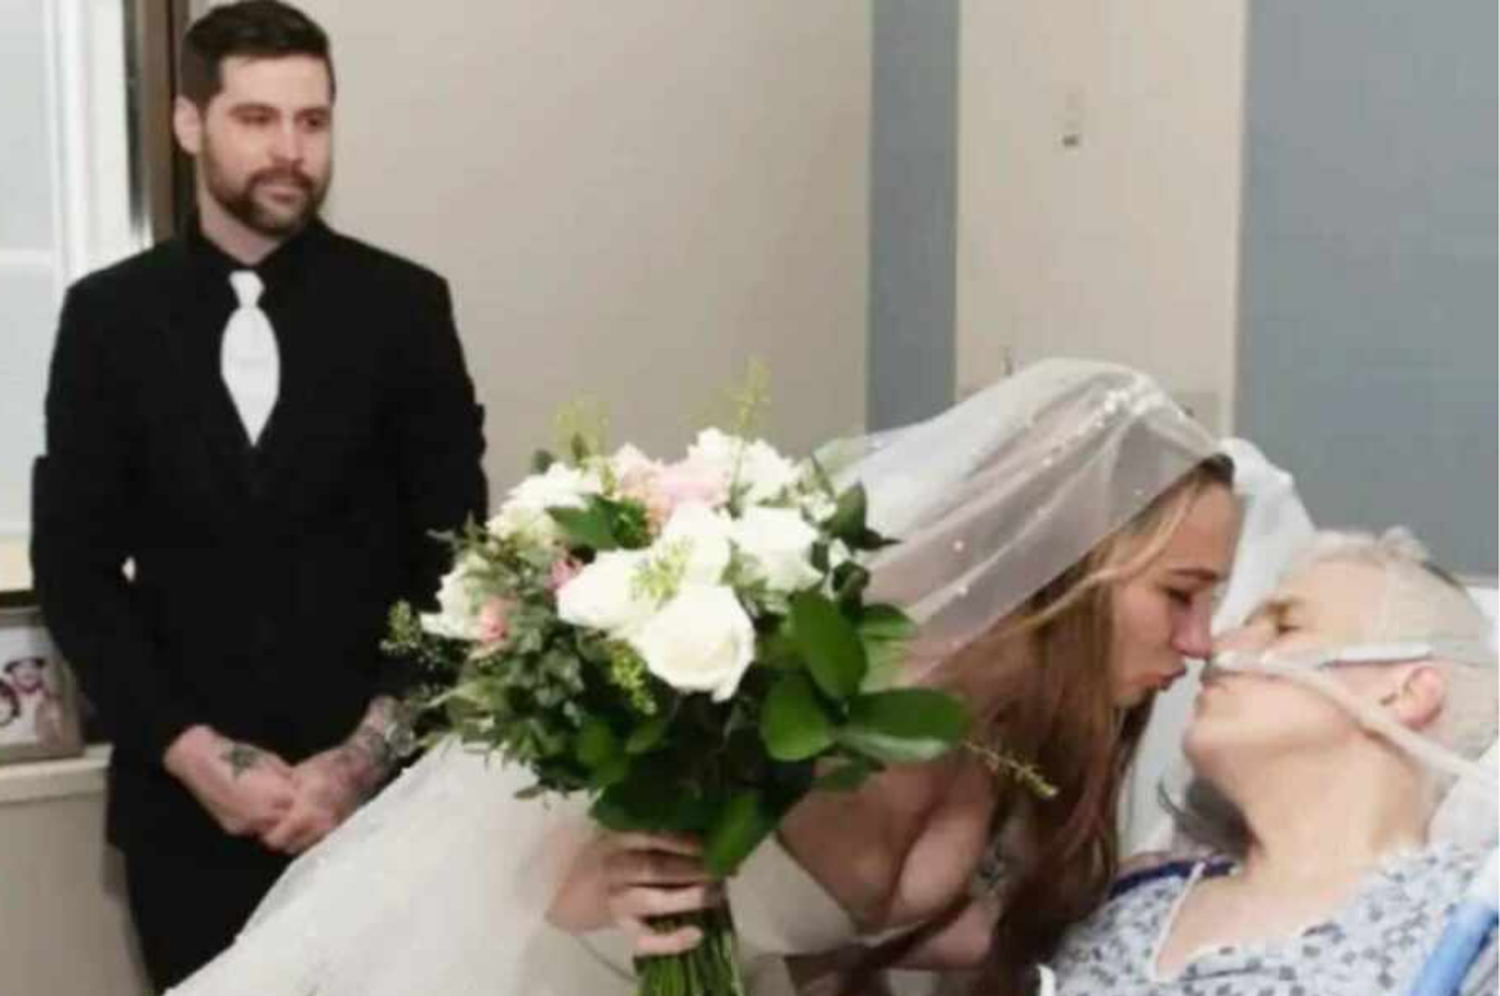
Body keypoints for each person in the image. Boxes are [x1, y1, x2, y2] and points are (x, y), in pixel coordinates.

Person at [163, 360, 1253, 996]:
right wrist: (613, 894)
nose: (1202, 639)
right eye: (1181, 594)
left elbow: (952, 934)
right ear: (1076, 569)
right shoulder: (795, 667)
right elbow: (541, 886)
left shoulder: (1038, 736)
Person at [28, 1, 487, 989]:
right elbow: (75, 572)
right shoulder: (107, 320)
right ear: (191, 125)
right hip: (183, 824)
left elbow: (458, 566)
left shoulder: (406, 309)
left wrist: (359, 764)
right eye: (257, 119)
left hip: (386, 811)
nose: (290, 151)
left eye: (312, 122)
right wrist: (196, 759)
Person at [1030, 529, 1498, 996]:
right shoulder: (1124, 904)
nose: (1217, 644)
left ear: (1407, 693)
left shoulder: (1473, 920)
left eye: (1284, 626)